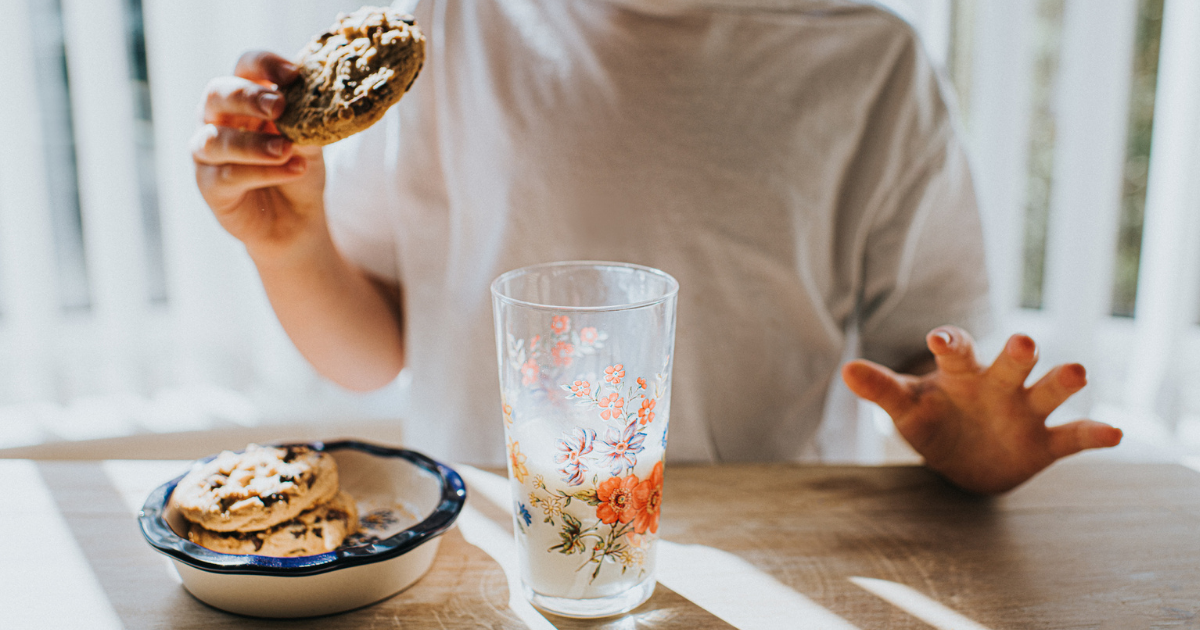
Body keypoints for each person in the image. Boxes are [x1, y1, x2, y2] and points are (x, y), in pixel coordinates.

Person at [192, 0, 1121, 494]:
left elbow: (931, 365)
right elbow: (371, 353)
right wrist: (291, 245)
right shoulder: (453, 23)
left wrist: (970, 446)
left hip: (766, 544)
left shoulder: (872, 65)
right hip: (490, 529)